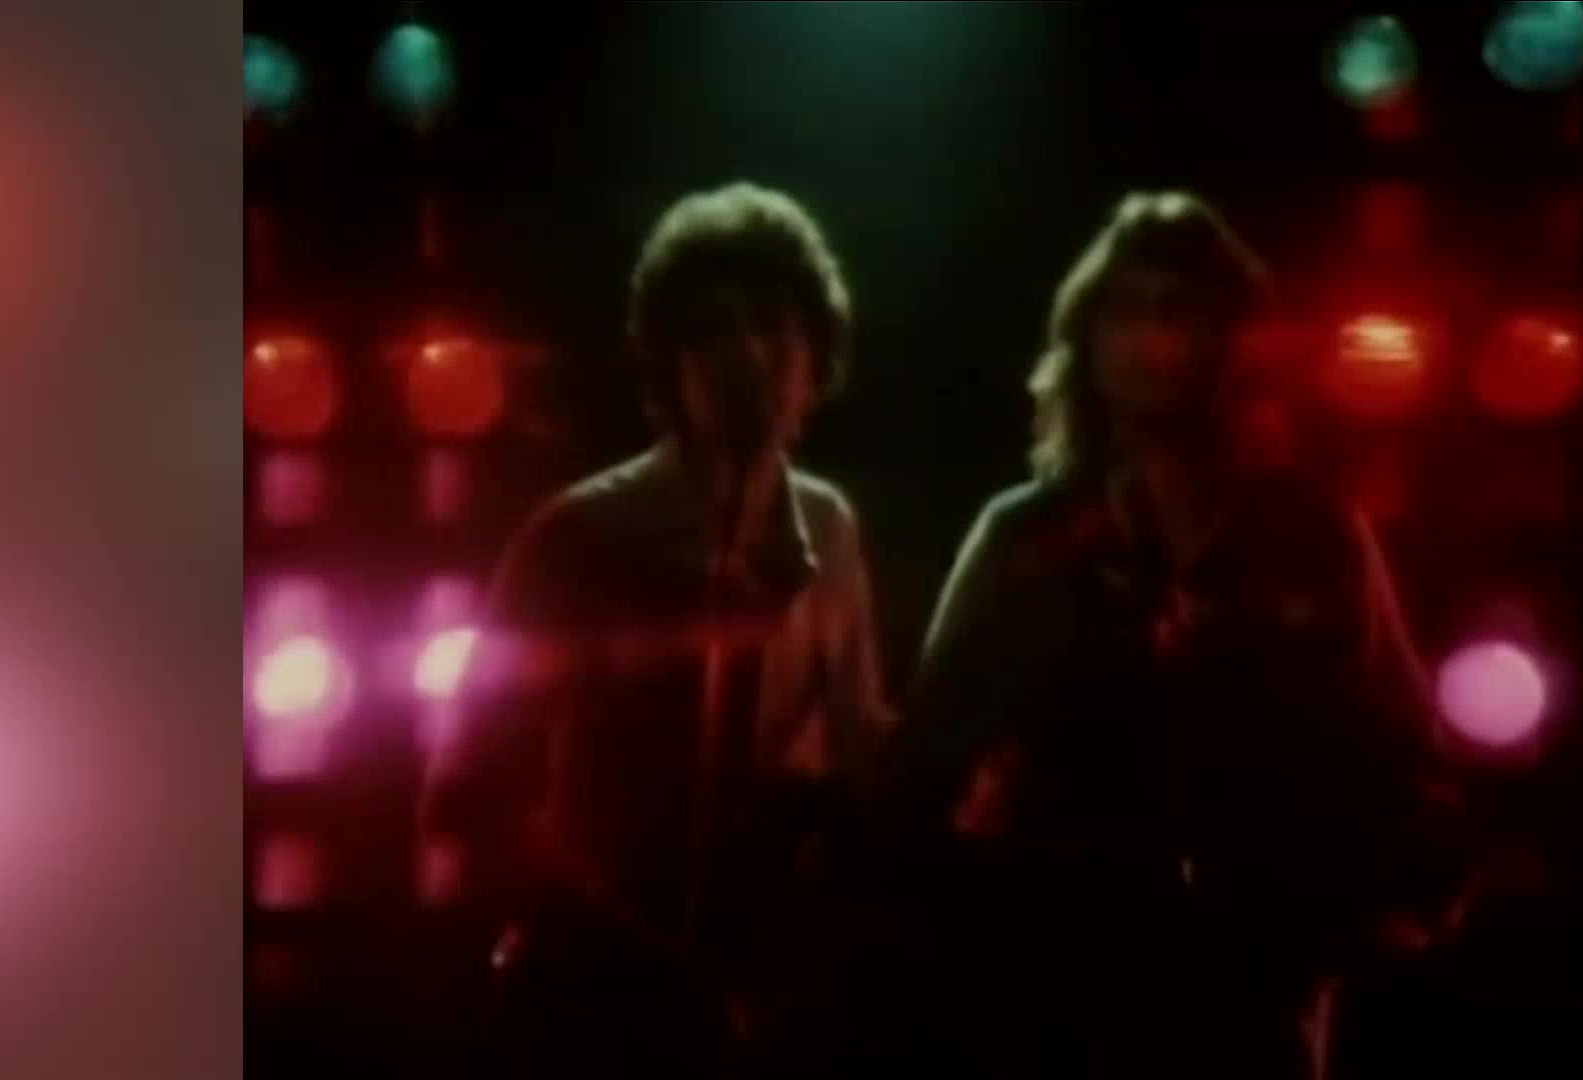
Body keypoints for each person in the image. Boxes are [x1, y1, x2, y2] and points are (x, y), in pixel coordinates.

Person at [866, 191, 1462, 1076]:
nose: (1149, 339)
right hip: (1052, 978)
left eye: (1176, 311)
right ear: (1087, 338)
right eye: (1125, 311)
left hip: (1253, 987)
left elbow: (1400, 742)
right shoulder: (1025, 534)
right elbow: (928, 749)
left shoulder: (1308, 531)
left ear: (1230, 339)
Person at [420, 181, 891, 1075]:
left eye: (773, 327)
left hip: (754, 1006)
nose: (747, 355)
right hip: (590, 1001)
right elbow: (468, 793)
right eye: (713, 330)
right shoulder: (579, 535)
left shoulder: (828, 528)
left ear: (817, 356)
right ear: (667, 363)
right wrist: (620, 938)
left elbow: (856, 750)